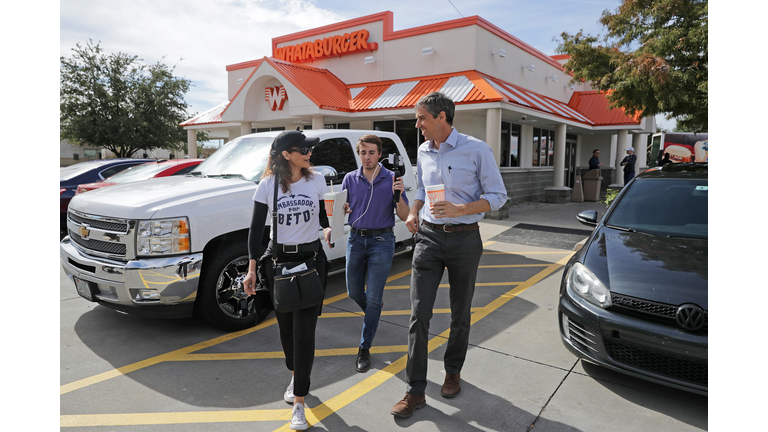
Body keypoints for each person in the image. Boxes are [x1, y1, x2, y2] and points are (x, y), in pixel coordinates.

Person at [390, 91, 508, 418]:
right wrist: (414, 212)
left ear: (442, 117)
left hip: (465, 239)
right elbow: (423, 192)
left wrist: (461, 209)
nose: (418, 125)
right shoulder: (424, 151)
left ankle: (453, 370)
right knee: (419, 315)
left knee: (460, 313)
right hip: (428, 238)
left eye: (422, 118)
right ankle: (415, 390)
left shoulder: (477, 149)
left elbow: (497, 197)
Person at [242, 129, 331, 431]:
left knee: (305, 333)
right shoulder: (267, 186)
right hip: (277, 263)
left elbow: (322, 215)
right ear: (286, 155)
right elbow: (255, 231)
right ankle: (296, 374)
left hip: (310, 262)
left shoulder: (317, 180)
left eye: (309, 150)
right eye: (303, 149)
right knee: (286, 329)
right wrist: (252, 269)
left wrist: (330, 226)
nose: (309, 154)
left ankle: (299, 403)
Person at [335, 134, 410, 373]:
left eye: (371, 153)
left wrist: (398, 194)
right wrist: (342, 212)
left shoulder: (391, 178)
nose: (367, 158)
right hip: (356, 239)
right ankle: (374, 306)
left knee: (374, 298)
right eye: (363, 153)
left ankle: (364, 348)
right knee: (354, 291)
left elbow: (405, 215)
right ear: (359, 154)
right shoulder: (349, 179)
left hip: (381, 241)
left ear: (380, 154)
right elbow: (342, 211)